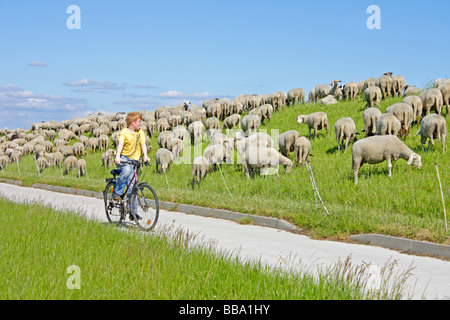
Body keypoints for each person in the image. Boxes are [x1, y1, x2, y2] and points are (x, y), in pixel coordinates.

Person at [112, 112, 150, 218]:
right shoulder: (124, 133)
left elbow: (143, 144)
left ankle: (132, 212)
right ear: (132, 123)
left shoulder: (140, 132)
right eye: (139, 121)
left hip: (134, 159)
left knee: (133, 187)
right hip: (123, 158)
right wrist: (117, 157)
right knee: (127, 171)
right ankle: (117, 192)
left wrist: (145, 156)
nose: (140, 123)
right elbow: (120, 145)